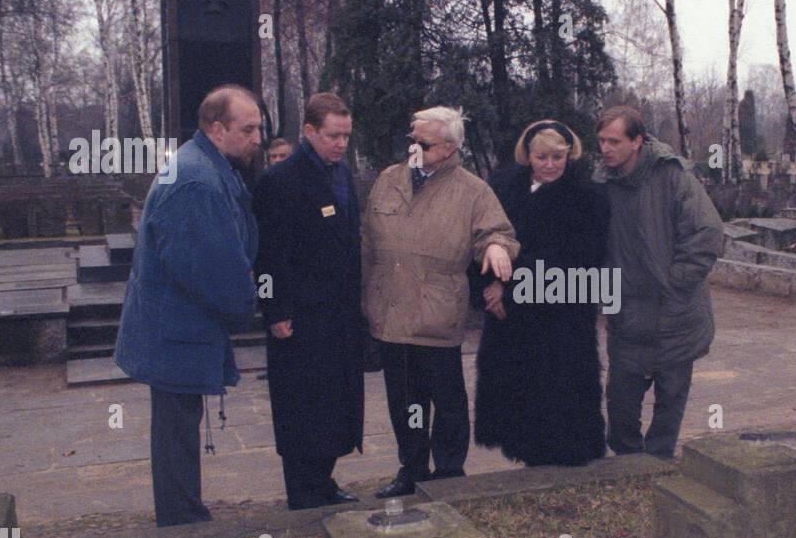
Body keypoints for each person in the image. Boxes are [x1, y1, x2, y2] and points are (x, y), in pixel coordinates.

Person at [114, 85, 261, 527]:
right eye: (247, 128)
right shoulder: (196, 180)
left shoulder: (204, 166)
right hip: (175, 329)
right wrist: (244, 307)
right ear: (217, 129)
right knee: (177, 427)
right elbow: (208, 266)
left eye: (258, 127)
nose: (257, 137)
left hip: (177, 326)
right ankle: (181, 518)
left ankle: (184, 510)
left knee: (179, 422)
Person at [362, 106, 519, 498]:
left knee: (446, 402)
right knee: (405, 403)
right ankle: (411, 469)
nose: (414, 148)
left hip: (437, 315)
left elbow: (497, 231)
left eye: (424, 143)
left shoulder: (472, 191)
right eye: (411, 140)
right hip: (391, 312)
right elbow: (365, 243)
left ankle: (449, 474)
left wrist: (497, 248)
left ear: (449, 149)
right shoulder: (388, 180)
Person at [468, 121, 609, 466]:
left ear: (569, 154)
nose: (550, 165)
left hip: (562, 312)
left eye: (557, 157)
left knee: (559, 396)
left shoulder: (587, 198)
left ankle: (564, 463)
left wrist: (511, 291)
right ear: (527, 155)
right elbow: (479, 236)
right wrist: (488, 285)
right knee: (519, 397)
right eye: (541, 157)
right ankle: (530, 462)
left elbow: (576, 258)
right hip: (511, 319)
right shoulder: (502, 188)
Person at [252, 93, 365, 510]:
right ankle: (303, 490)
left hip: (338, 313)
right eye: (333, 135)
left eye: (346, 136)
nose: (341, 143)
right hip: (299, 317)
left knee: (335, 401)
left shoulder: (342, 174)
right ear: (309, 132)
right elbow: (266, 255)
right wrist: (274, 310)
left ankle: (323, 480)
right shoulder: (280, 181)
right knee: (303, 403)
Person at [593, 105, 724, 459]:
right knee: (620, 411)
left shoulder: (673, 176)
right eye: (601, 140)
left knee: (669, 407)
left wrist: (675, 284)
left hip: (676, 317)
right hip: (627, 318)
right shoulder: (601, 185)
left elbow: (707, 233)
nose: (605, 148)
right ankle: (630, 467)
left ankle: (658, 469)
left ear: (637, 141)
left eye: (614, 141)